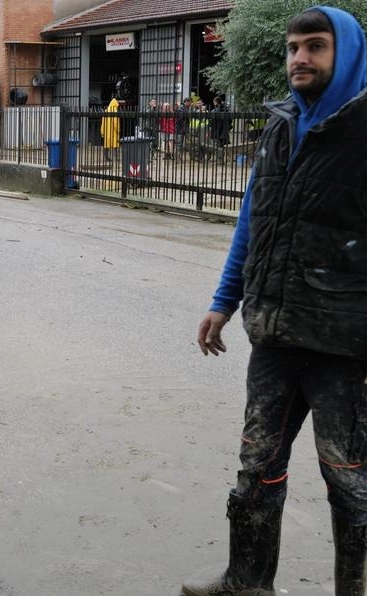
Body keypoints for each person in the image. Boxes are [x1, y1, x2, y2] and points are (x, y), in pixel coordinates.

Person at [185, 7, 367, 596]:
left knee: (350, 482)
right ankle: (246, 582)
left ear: (347, 54)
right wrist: (224, 300)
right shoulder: (281, 126)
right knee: (255, 471)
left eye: (315, 47)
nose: (299, 59)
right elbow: (252, 222)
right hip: (275, 336)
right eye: (293, 48)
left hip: (346, 344)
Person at [100, 96, 121, 161]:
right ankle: (117, 157)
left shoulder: (106, 110)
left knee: (106, 145)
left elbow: (103, 122)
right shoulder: (115, 111)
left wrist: (102, 131)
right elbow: (116, 122)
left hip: (107, 131)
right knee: (116, 144)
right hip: (113, 131)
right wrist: (118, 129)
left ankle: (106, 157)